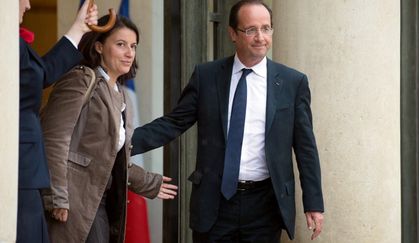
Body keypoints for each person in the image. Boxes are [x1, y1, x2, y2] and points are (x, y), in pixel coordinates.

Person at [131, 0, 324, 242]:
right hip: (215, 203)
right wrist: (121, 143)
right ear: (233, 33)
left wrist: (313, 203)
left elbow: (306, 146)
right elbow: (173, 123)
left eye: (266, 28)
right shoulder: (207, 76)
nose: (260, 37)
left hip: (265, 205)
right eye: (250, 29)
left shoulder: (292, 82)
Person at [40, 15, 178, 243]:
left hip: (100, 201)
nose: (129, 53)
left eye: (133, 46)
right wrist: (57, 198)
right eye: (121, 44)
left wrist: (148, 182)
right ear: (99, 46)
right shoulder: (80, 79)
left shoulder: (121, 94)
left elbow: (109, 159)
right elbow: (54, 139)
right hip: (73, 201)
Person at [18, 0, 98, 242]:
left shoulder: (14, 43)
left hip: (26, 169)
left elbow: (39, 73)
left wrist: (79, 29)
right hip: (18, 169)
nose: (28, 5)